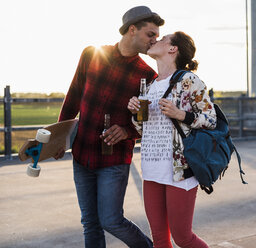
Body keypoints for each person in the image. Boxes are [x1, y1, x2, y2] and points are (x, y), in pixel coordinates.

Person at [56, 6, 164, 248]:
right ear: (132, 30)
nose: (154, 40)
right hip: (81, 155)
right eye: (150, 34)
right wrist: (58, 138)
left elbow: (149, 122)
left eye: (157, 35)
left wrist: (127, 131)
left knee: (111, 220)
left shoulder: (148, 76)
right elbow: (73, 96)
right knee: (90, 222)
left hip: (114, 161)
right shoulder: (91, 54)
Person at [128, 31, 216, 248]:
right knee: (159, 239)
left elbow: (211, 119)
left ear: (172, 48)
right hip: (151, 169)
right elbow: (143, 129)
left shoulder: (189, 80)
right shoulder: (149, 85)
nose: (155, 40)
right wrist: (135, 114)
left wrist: (181, 114)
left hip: (179, 170)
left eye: (163, 38)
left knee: (183, 238)